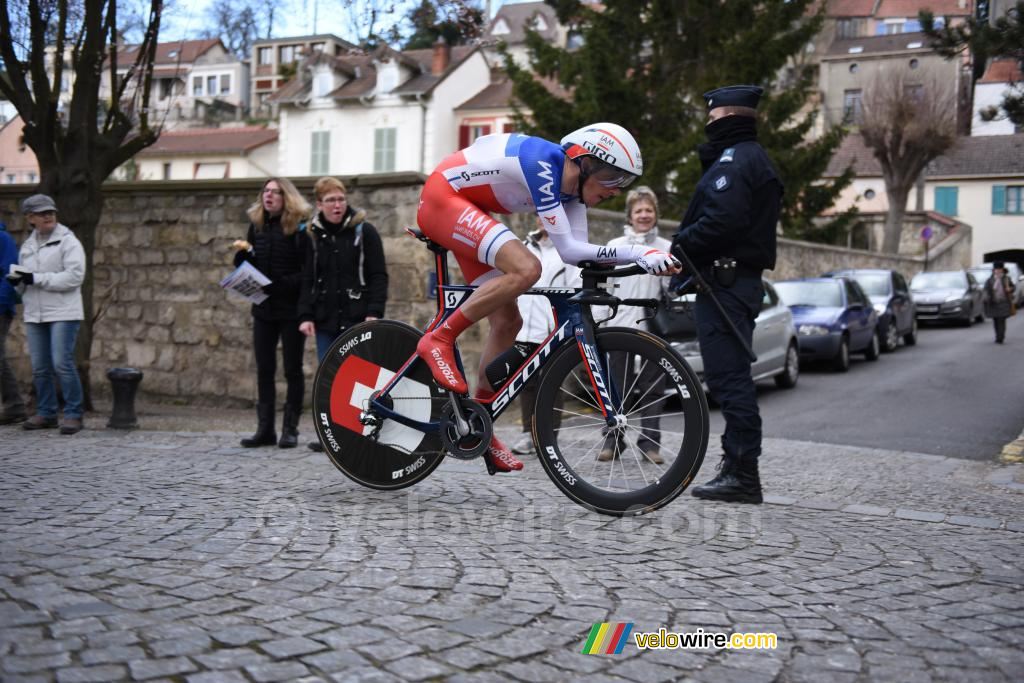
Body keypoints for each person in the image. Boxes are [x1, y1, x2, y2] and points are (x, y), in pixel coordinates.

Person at [414, 123, 680, 473]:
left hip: (471, 208)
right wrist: (637, 253)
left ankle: (479, 423)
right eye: (615, 177)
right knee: (527, 269)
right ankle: (440, 338)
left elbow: (578, 255)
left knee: (509, 321)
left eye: (624, 182)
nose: (617, 190)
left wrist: (646, 260)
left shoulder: (573, 194)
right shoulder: (543, 164)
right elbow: (569, 247)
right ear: (586, 163)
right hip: (444, 198)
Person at [671, 85, 783, 504]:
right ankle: (738, 470)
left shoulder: (736, 163)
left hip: (728, 285)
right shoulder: (744, 160)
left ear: (731, 119)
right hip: (732, 283)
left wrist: (679, 243)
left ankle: (741, 474)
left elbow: (721, 223)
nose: (708, 125)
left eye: (714, 119)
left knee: (730, 379)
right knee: (730, 377)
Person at [299, 177, 388, 451]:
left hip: (357, 316)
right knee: (329, 376)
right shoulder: (311, 235)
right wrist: (305, 315)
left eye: (341, 199)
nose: (337, 205)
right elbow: (307, 278)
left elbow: (378, 275)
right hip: (325, 317)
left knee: (359, 377)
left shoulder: (364, 231)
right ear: (319, 204)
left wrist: (374, 311)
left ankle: (360, 431)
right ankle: (331, 435)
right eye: (330, 201)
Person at [233, 178, 311, 449]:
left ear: (286, 197)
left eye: (275, 192)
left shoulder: (300, 229)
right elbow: (252, 260)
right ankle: (264, 429)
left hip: (290, 310)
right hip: (263, 308)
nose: (269, 196)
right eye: (266, 191)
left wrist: (282, 285)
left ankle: (290, 429)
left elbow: (307, 273)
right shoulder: (256, 226)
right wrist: (241, 261)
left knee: (292, 370)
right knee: (264, 369)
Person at [597, 186, 671, 464]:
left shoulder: (665, 247)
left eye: (648, 210)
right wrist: (600, 322)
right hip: (620, 324)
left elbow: (670, 288)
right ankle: (612, 441)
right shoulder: (615, 246)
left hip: (653, 326)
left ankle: (650, 445)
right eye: (638, 210)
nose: (644, 215)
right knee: (616, 386)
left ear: (655, 214)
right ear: (629, 215)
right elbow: (604, 286)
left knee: (653, 388)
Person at [6, 194, 86, 434]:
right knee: (40, 367)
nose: (48, 216)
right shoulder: (28, 246)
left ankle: (74, 414)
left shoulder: (69, 242)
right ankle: (47, 412)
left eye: (51, 212)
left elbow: (74, 277)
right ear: (30, 218)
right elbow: (24, 280)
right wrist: (15, 282)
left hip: (64, 311)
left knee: (62, 363)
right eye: (42, 213)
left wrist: (36, 279)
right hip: (35, 313)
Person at [509, 219, 581, 456]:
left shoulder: (566, 250)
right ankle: (528, 435)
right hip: (523, 326)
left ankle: (548, 436)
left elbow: (573, 289)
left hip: (552, 329)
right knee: (526, 384)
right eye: (540, 214)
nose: (544, 219)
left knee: (551, 383)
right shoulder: (523, 245)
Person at [0, 219, 27, 425]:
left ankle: (15, 406)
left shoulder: (3, 239)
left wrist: (1, 303)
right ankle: (14, 405)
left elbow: (11, 274)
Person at [983, 261, 1016, 344]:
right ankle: (998, 335)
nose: (997, 271)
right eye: (996, 269)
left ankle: (1000, 337)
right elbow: (986, 290)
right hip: (993, 303)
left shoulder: (1006, 278)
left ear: (1002, 270)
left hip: (1004, 302)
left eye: (999, 269)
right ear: (993, 270)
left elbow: (1013, 287)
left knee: (1001, 320)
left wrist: (1010, 289)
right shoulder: (990, 280)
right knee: (995, 320)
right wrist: (986, 296)